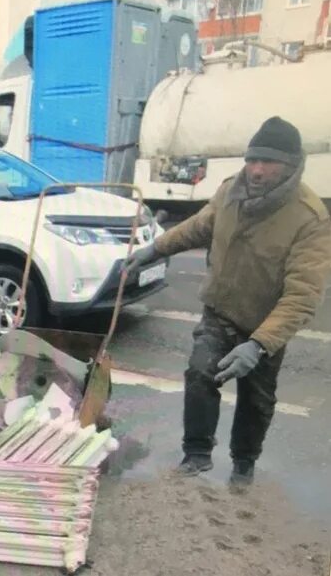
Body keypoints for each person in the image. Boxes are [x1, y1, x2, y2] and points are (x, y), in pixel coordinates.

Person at [125, 116, 331, 488]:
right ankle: (197, 454)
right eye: (252, 160)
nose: (256, 169)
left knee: (257, 400)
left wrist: (258, 345)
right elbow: (199, 227)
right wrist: (155, 248)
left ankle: (244, 464)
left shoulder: (309, 219)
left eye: (268, 162)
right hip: (220, 310)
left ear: (290, 166)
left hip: (265, 325)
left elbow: (302, 297)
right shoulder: (229, 192)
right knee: (200, 373)